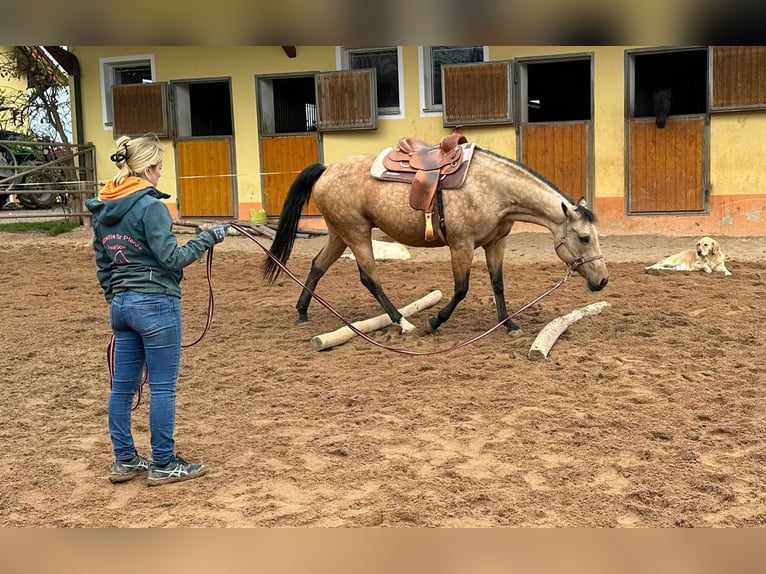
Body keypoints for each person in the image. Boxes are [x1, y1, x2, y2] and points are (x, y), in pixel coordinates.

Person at [86, 134, 228, 486]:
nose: (161, 174)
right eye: (160, 168)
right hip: (155, 303)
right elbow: (172, 259)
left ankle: (125, 460)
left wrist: (117, 297)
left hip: (122, 306)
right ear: (147, 168)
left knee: (122, 388)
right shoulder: (151, 207)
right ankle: (163, 462)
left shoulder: (103, 209)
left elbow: (104, 264)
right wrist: (207, 238)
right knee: (163, 387)